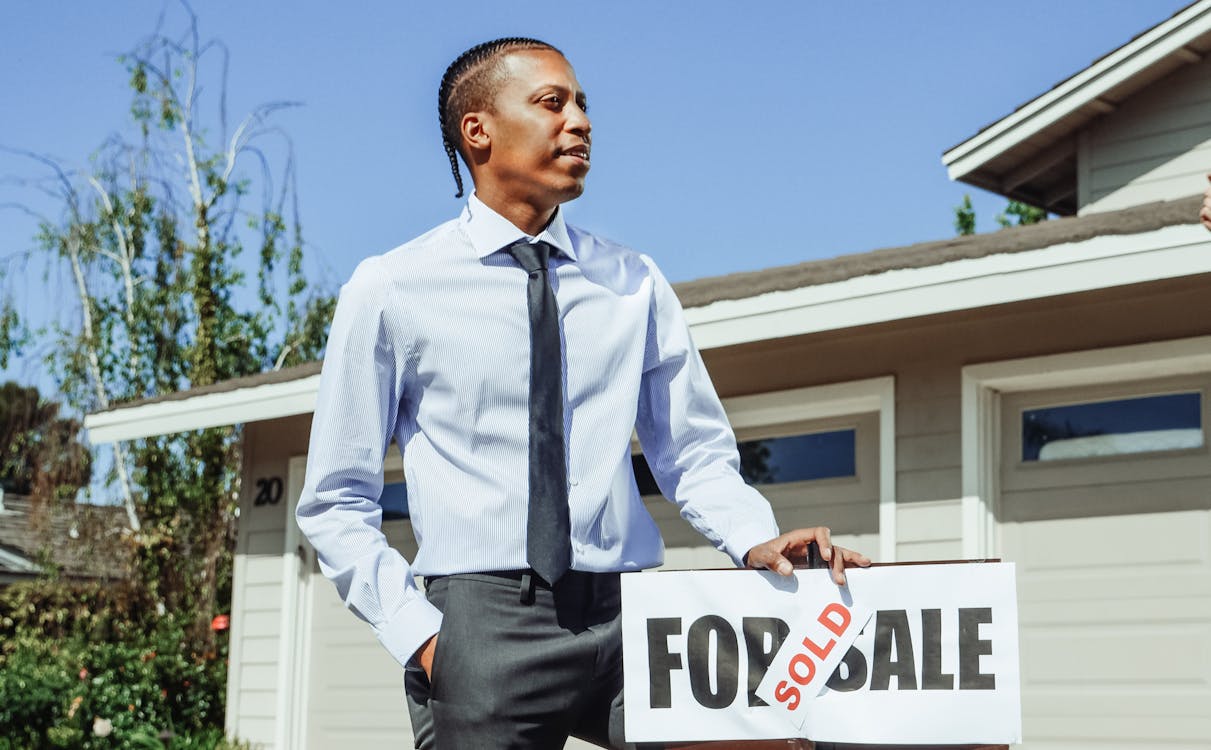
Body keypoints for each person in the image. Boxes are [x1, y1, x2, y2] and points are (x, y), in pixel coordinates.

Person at [296, 37, 870, 750]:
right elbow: (333, 502)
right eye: (551, 103)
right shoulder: (392, 287)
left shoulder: (633, 281)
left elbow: (691, 453)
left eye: (582, 105)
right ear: (477, 130)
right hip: (483, 621)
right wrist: (425, 640)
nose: (580, 121)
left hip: (633, 613)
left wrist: (756, 540)